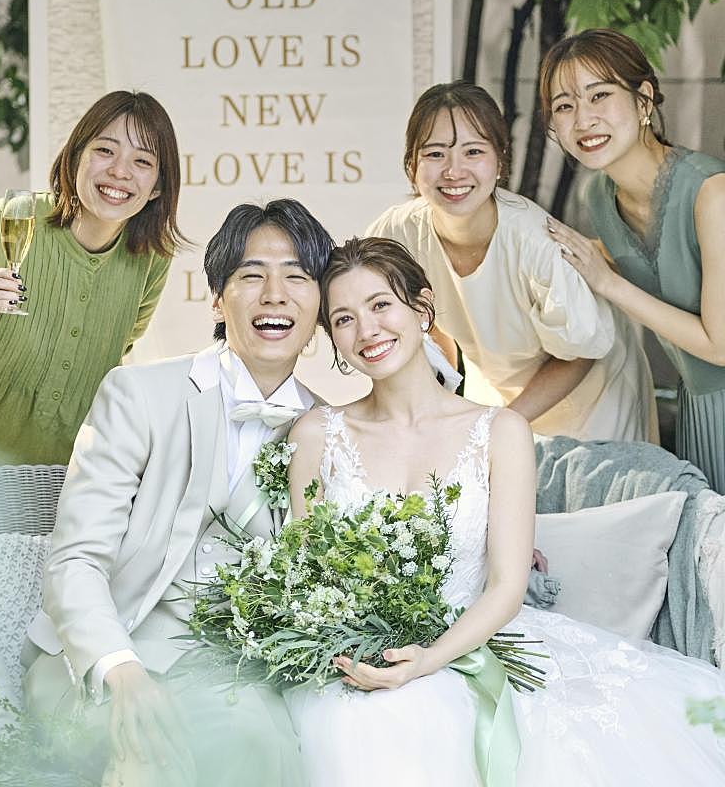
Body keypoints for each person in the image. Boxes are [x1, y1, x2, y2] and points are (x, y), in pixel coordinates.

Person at [284, 237, 725, 787]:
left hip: (469, 643)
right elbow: (307, 575)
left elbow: (507, 587)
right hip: (357, 657)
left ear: (421, 308)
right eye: (344, 319)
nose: (366, 331)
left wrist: (427, 659)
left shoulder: (501, 432)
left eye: (381, 305)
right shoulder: (315, 435)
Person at [22, 199, 334, 785]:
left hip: (228, 674)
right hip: (100, 657)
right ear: (217, 298)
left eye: (297, 277)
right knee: (160, 746)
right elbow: (75, 558)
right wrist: (121, 669)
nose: (274, 295)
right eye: (252, 275)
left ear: (319, 305)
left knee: (263, 744)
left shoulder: (331, 431)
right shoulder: (138, 395)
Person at [366, 80, 657, 443]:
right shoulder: (398, 232)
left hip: (591, 401)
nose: (454, 171)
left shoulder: (534, 240)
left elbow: (580, 355)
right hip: (499, 396)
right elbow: (416, 322)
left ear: (500, 161)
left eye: (473, 152)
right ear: (412, 165)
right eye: (436, 154)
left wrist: (498, 425)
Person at [0, 90, 185, 472]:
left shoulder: (151, 259)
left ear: (158, 186)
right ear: (75, 156)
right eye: (105, 150)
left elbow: (107, 362)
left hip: (53, 489)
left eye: (142, 161)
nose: (120, 171)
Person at [539, 28, 725, 492]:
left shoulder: (711, 192)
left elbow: (720, 346)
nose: (583, 119)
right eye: (564, 106)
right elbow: (644, 266)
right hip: (697, 406)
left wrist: (609, 283)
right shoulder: (599, 198)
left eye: (599, 95)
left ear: (643, 101)